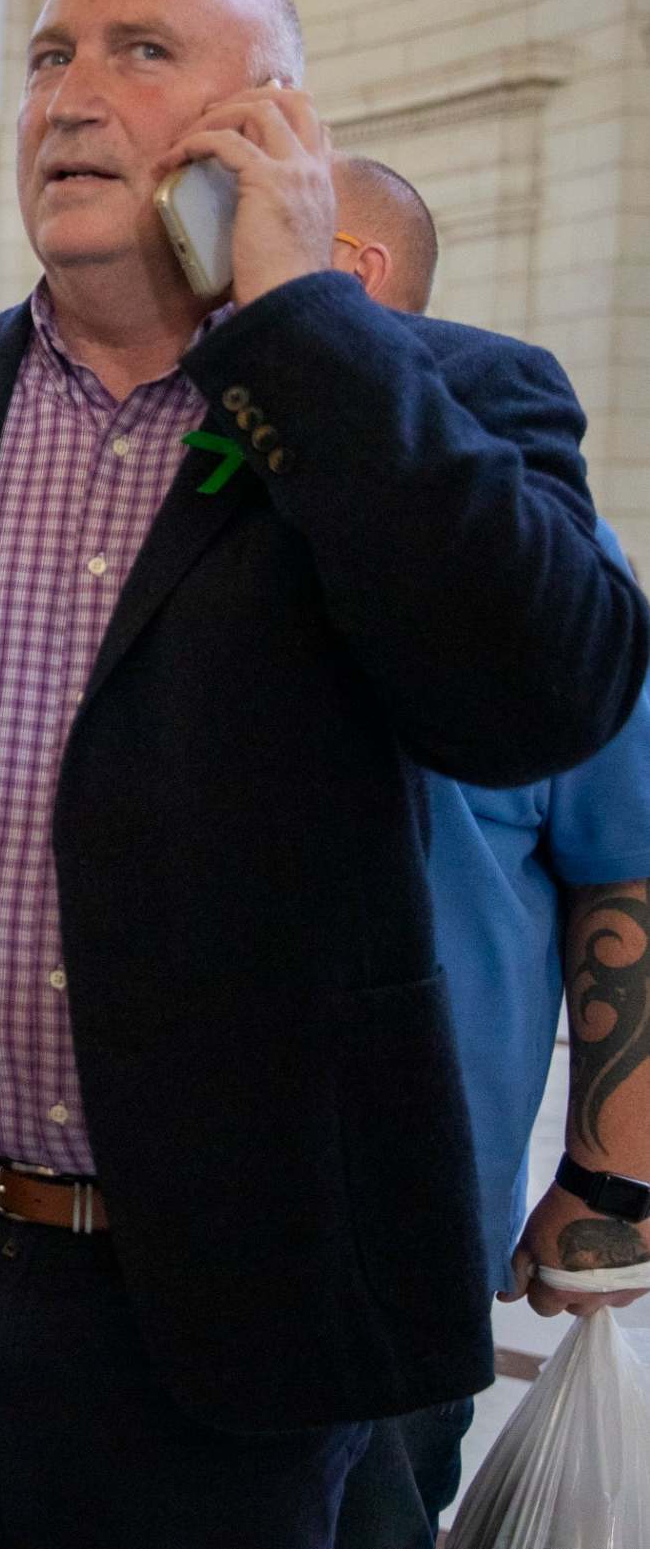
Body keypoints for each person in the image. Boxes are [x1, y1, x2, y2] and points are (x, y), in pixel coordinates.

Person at [0, 0, 649, 1549]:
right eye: (50, 58)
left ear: (277, 125)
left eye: (141, 54)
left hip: (227, 1312)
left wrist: (308, 324)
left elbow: (538, 690)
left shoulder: (431, 399)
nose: (72, 98)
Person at [321, 156, 650, 1549]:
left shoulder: (544, 559)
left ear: (346, 270)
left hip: (396, 1235)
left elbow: (624, 870)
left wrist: (612, 1183)